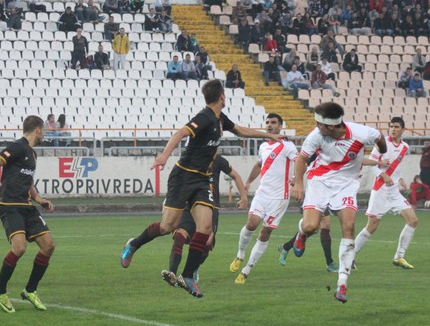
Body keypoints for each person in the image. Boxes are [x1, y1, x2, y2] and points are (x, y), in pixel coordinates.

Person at [120, 79, 282, 298]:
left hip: (202, 180)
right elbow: (180, 134)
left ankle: (187, 276)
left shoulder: (220, 118)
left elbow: (240, 131)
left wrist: (269, 136)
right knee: (168, 226)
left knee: (205, 228)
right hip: (183, 177)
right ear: (222, 97)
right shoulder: (204, 117)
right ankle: (134, 244)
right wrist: (164, 156)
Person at [290, 102, 386, 303]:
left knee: (349, 227)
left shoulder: (360, 133)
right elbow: (301, 159)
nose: (316, 127)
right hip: (320, 180)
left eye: (320, 124)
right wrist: (299, 183)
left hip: (346, 184)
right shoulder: (316, 136)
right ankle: (302, 233)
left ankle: (342, 283)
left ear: (331, 126)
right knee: (310, 226)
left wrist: (382, 149)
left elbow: (379, 137)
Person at [0, 116, 55, 314]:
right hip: (10, 206)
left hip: (27, 206)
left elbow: (28, 181)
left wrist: (39, 199)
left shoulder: (32, 153)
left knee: (49, 245)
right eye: (45, 131)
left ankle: (30, 290)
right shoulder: (18, 146)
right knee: (20, 248)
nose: (45, 134)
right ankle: (0, 291)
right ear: (38, 130)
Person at [229, 114, 297, 283]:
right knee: (251, 223)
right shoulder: (263, 146)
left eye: (273, 123)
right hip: (262, 193)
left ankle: (246, 270)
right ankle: (240, 255)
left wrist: (297, 177)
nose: (269, 125)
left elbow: (300, 161)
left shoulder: (287, 145)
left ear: (280, 126)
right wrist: (248, 181)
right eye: (267, 123)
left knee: (265, 232)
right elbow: (259, 165)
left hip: (279, 198)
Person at [162, 155, 247, 286]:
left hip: (210, 207)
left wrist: (244, 197)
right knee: (180, 236)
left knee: (206, 243)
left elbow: (235, 175)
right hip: (189, 204)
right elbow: (178, 179)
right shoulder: (191, 157)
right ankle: (171, 273)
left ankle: (194, 268)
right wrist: (168, 200)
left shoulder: (219, 161)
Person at [354, 117, 420, 269]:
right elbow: (371, 163)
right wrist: (382, 174)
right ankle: (351, 256)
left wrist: (401, 178)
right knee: (372, 226)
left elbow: (397, 166)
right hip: (380, 190)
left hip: (394, 191)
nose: (393, 129)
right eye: (391, 126)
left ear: (403, 129)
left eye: (396, 127)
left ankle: (399, 257)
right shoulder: (382, 144)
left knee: (413, 220)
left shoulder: (404, 147)